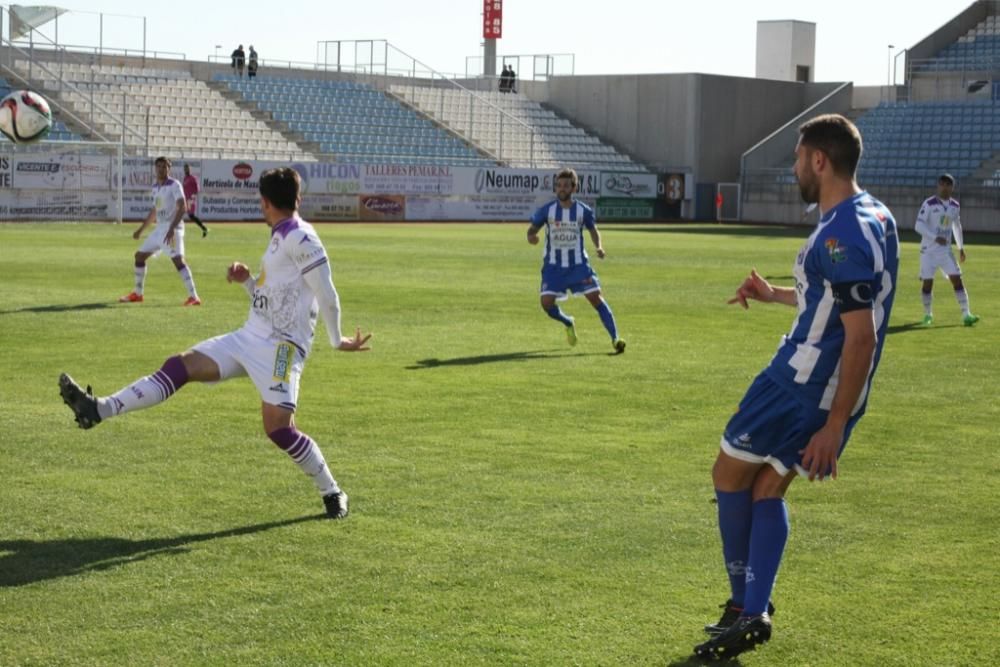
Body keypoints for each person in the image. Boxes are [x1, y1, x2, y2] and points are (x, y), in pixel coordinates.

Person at [693, 114, 899, 661]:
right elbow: (834, 303)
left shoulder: (839, 234)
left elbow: (862, 336)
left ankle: (743, 605)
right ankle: (752, 610)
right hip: (836, 391)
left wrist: (832, 425)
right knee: (766, 490)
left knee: (727, 472)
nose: (793, 168)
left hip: (799, 384)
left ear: (819, 161)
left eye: (796, 157)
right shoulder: (876, 214)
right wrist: (775, 294)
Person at [59, 167, 372, 519]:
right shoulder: (281, 235)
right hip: (248, 336)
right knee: (179, 365)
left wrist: (336, 340)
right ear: (297, 197)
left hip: (282, 350)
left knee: (279, 430)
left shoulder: (301, 238)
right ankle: (98, 409)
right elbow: (277, 296)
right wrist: (247, 282)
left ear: (264, 202)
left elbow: (326, 293)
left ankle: (332, 491)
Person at [527, 167, 625, 354]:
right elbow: (532, 230)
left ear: (574, 188)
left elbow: (593, 230)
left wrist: (599, 246)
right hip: (554, 267)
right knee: (546, 303)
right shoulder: (547, 210)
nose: (562, 189)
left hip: (578, 265)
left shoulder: (583, 210)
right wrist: (531, 237)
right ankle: (568, 321)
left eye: (566, 185)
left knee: (596, 299)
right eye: (559, 185)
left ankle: (615, 338)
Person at [119, 156, 201, 306]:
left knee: (178, 260)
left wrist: (171, 228)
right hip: (160, 229)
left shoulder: (174, 185)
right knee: (139, 256)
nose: (161, 169)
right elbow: (155, 211)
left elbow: (183, 207)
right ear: (155, 169)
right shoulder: (155, 187)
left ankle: (194, 296)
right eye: (159, 167)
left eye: (164, 167)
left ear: (169, 169)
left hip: (173, 228)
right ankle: (138, 294)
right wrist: (141, 230)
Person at [915, 174, 979, 327]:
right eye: (942, 184)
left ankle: (966, 314)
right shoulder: (929, 204)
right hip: (928, 251)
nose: (944, 187)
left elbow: (957, 226)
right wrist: (934, 237)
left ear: (952, 187)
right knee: (928, 283)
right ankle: (928, 314)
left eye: (948, 184)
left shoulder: (955, 206)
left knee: (957, 279)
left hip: (945, 251)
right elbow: (918, 226)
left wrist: (961, 247)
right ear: (938, 186)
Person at [182, 163, 209, 237]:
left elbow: (197, 189)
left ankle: (204, 228)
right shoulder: (185, 178)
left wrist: (192, 197)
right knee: (188, 215)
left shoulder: (193, 178)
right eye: (185, 168)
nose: (186, 170)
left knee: (191, 216)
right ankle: (204, 228)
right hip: (186, 199)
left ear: (190, 169)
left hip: (190, 200)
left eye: (187, 168)